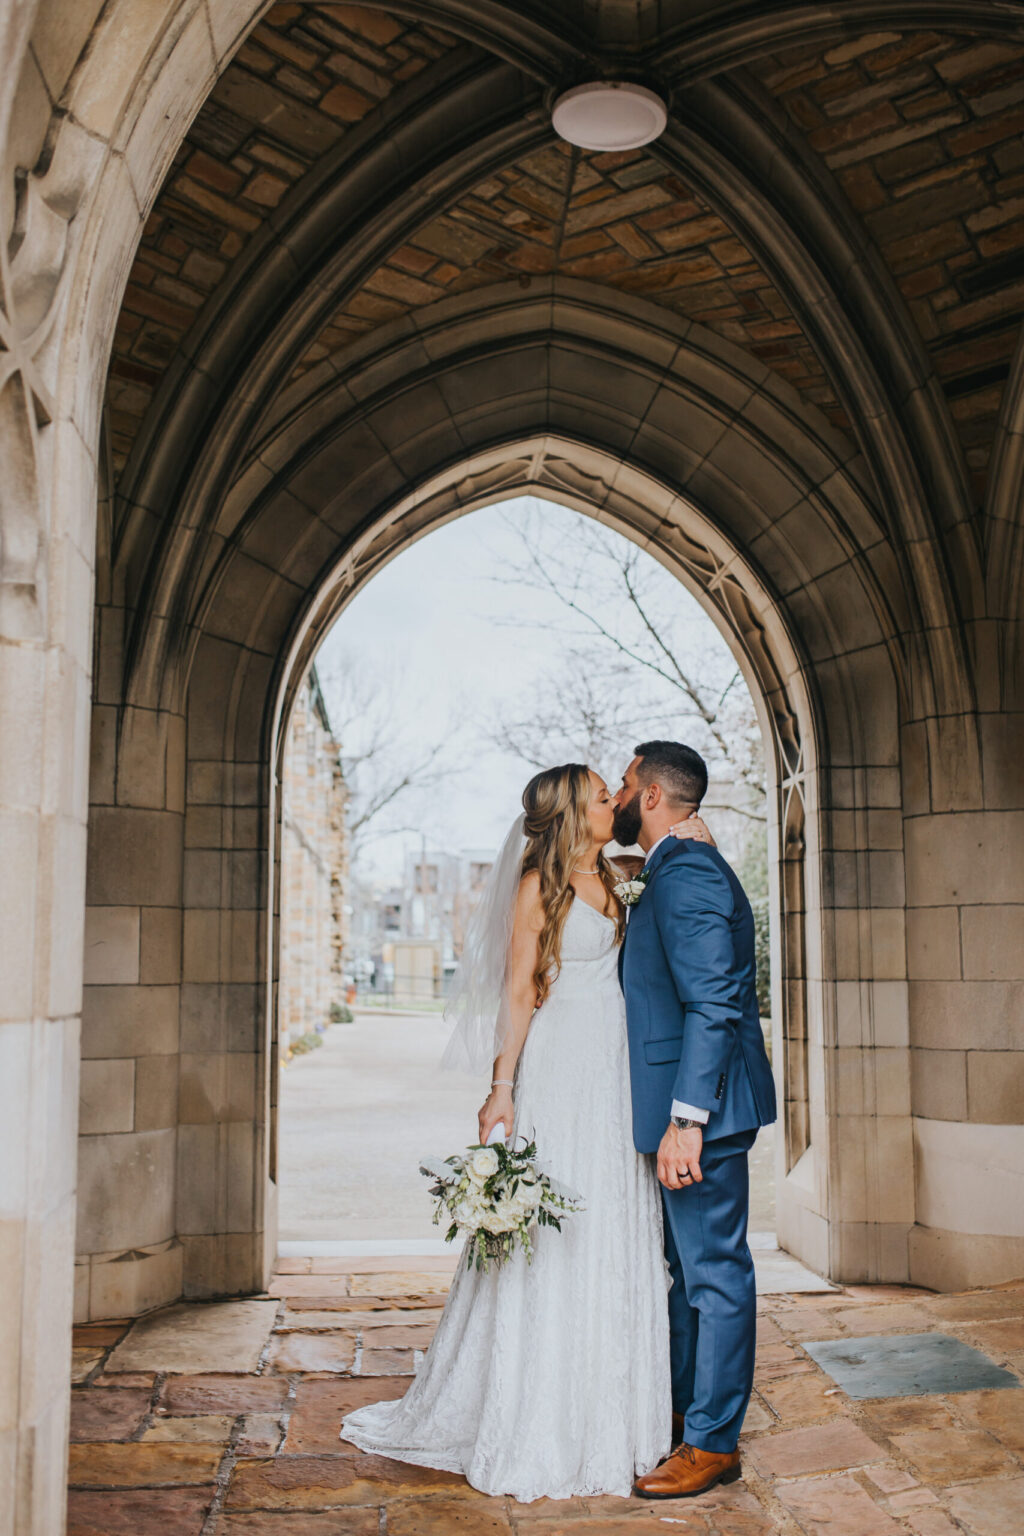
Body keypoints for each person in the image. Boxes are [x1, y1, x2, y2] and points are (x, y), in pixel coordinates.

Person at [340, 762, 711, 1501]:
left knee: (614, 1227)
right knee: (558, 1236)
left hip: (618, 1076)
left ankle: (616, 1415)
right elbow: (519, 992)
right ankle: (541, 1414)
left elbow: (665, 862)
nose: (621, 802)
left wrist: (696, 836)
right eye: (607, 797)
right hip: (562, 1070)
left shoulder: (622, 873)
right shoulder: (536, 888)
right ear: (577, 810)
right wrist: (501, 1087)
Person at [612, 741, 777, 1499]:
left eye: (621, 780)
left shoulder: (687, 876)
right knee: (687, 1275)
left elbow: (713, 1004)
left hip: (701, 1112)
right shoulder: (672, 869)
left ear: (649, 794)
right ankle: (687, 1415)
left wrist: (687, 1121)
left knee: (714, 1274)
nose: (614, 792)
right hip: (687, 1107)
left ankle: (711, 1443)